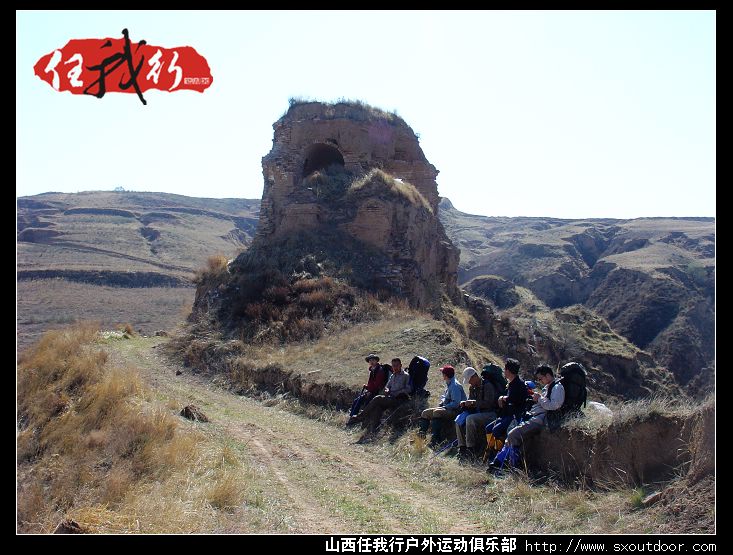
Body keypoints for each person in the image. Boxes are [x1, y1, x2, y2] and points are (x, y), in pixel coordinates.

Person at [490, 364, 565, 472]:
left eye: (540, 378)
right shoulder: (549, 387)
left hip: (541, 419)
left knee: (513, 434)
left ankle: (510, 465)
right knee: (512, 435)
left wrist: (539, 398)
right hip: (535, 416)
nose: (540, 381)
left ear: (548, 375)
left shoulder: (557, 387)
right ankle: (499, 462)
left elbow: (555, 405)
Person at [348, 358, 411, 429]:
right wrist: (387, 390)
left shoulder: (406, 375)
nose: (395, 367)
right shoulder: (392, 375)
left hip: (399, 399)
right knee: (377, 407)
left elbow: (409, 389)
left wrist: (397, 393)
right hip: (390, 398)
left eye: (397, 365)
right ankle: (373, 429)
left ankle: (361, 416)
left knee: (378, 398)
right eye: (393, 366)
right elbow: (387, 386)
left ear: (400, 365)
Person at [484, 358, 526, 460]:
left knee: (496, 430)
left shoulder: (519, 384)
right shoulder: (510, 384)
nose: (504, 372)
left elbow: (515, 400)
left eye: (505, 369)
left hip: (514, 416)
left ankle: (498, 455)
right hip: (505, 414)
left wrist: (504, 399)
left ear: (509, 371)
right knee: (488, 428)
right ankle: (491, 449)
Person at [417, 365, 466, 447]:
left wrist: (444, 407)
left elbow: (456, 403)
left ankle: (436, 440)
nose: (442, 375)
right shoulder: (449, 383)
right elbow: (445, 397)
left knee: (437, 412)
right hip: (448, 408)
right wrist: (442, 403)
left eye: (443, 373)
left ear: (445, 375)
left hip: (456, 411)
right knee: (425, 413)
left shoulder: (455, 386)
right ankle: (420, 438)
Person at [456, 367, 497, 463]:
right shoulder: (472, 388)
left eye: (469, 380)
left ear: (474, 377)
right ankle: (462, 447)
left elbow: (489, 403)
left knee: (470, 419)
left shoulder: (487, 386)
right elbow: (471, 403)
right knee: (459, 420)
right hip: (478, 413)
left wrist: (473, 403)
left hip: (490, 414)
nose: (469, 383)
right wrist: (465, 404)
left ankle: (471, 449)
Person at [347, 354, 388, 423]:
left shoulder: (379, 371)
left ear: (376, 361)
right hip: (371, 391)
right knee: (356, 401)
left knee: (366, 404)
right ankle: (352, 417)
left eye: (373, 360)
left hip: (377, 392)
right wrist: (367, 387)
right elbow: (372, 383)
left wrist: (369, 390)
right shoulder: (373, 370)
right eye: (370, 360)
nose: (371, 362)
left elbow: (377, 385)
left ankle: (361, 419)